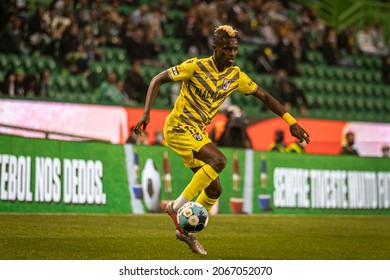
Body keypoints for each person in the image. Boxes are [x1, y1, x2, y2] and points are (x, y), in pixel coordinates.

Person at [134, 25, 310, 255]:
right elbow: (157, 79)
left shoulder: (235, 76)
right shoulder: (195, 67)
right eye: (227, 49)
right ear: (215, 48)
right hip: (178, 128)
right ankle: (176, 207)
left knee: (215, 190)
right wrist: (147, 113)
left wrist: (291, 121)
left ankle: (187, 232)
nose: (232, 53)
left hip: (197, 132)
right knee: (219, 160)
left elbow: (265, 96)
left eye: (235, 49)